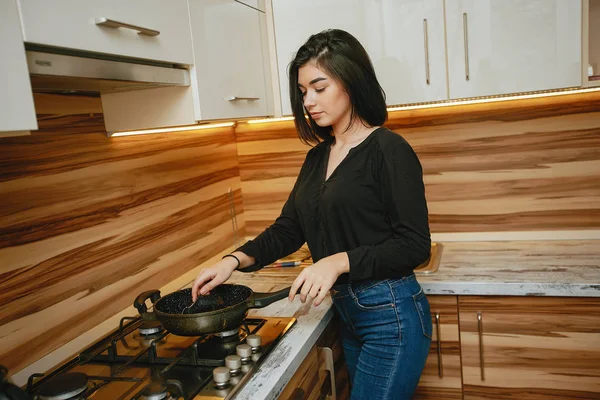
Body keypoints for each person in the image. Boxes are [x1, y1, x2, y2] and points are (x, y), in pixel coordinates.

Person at [191, 29, 432, 399]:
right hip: (351, 315)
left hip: (392, 317)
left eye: (319, 87)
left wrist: (336, 262)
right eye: (303, 91)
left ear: (350, 81)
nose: (309, 100)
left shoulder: (389, 150)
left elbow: (415, 246)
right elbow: (290, 228)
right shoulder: (317, 157)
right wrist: (233, 261)